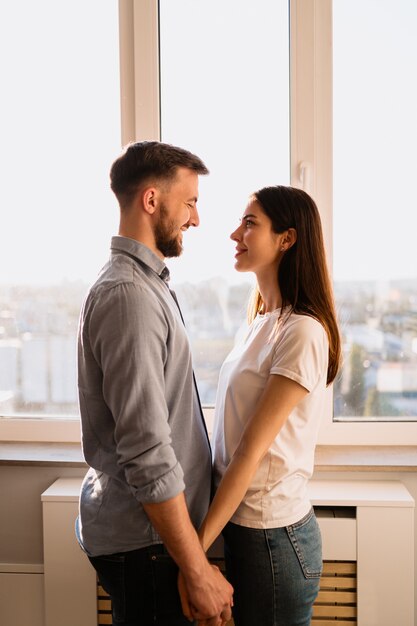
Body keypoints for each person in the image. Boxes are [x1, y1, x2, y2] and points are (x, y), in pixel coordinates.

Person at [76, 140, 233, 626]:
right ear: (151, 200)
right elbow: (146, 449)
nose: (196, 219)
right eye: (189, 202)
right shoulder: (130, 296)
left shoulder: (145, 284)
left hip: (155, 540)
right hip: (149, 545)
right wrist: (197, 568)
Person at [180, 185, 341, 626]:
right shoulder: (260, 324)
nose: (235, 234)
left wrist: (192, 555)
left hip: (274, 537)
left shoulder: (303, 332)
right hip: (248, 531)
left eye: (250, 223)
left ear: (287, 239)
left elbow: (250, 452)